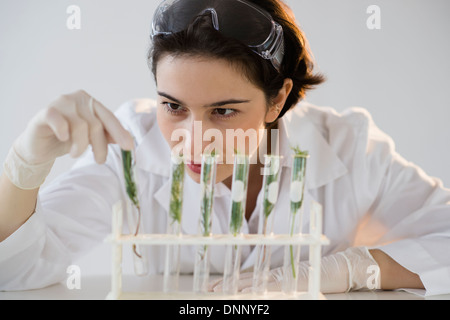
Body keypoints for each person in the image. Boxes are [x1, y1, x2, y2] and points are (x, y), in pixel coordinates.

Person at [1, 0, 449, 295]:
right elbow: (14, 271)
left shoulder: (350, 150)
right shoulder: (132, 146)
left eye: (224, 111)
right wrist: (23, 166)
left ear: (277, 99)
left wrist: (347, 269)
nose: (194, 140)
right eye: (173, 106)